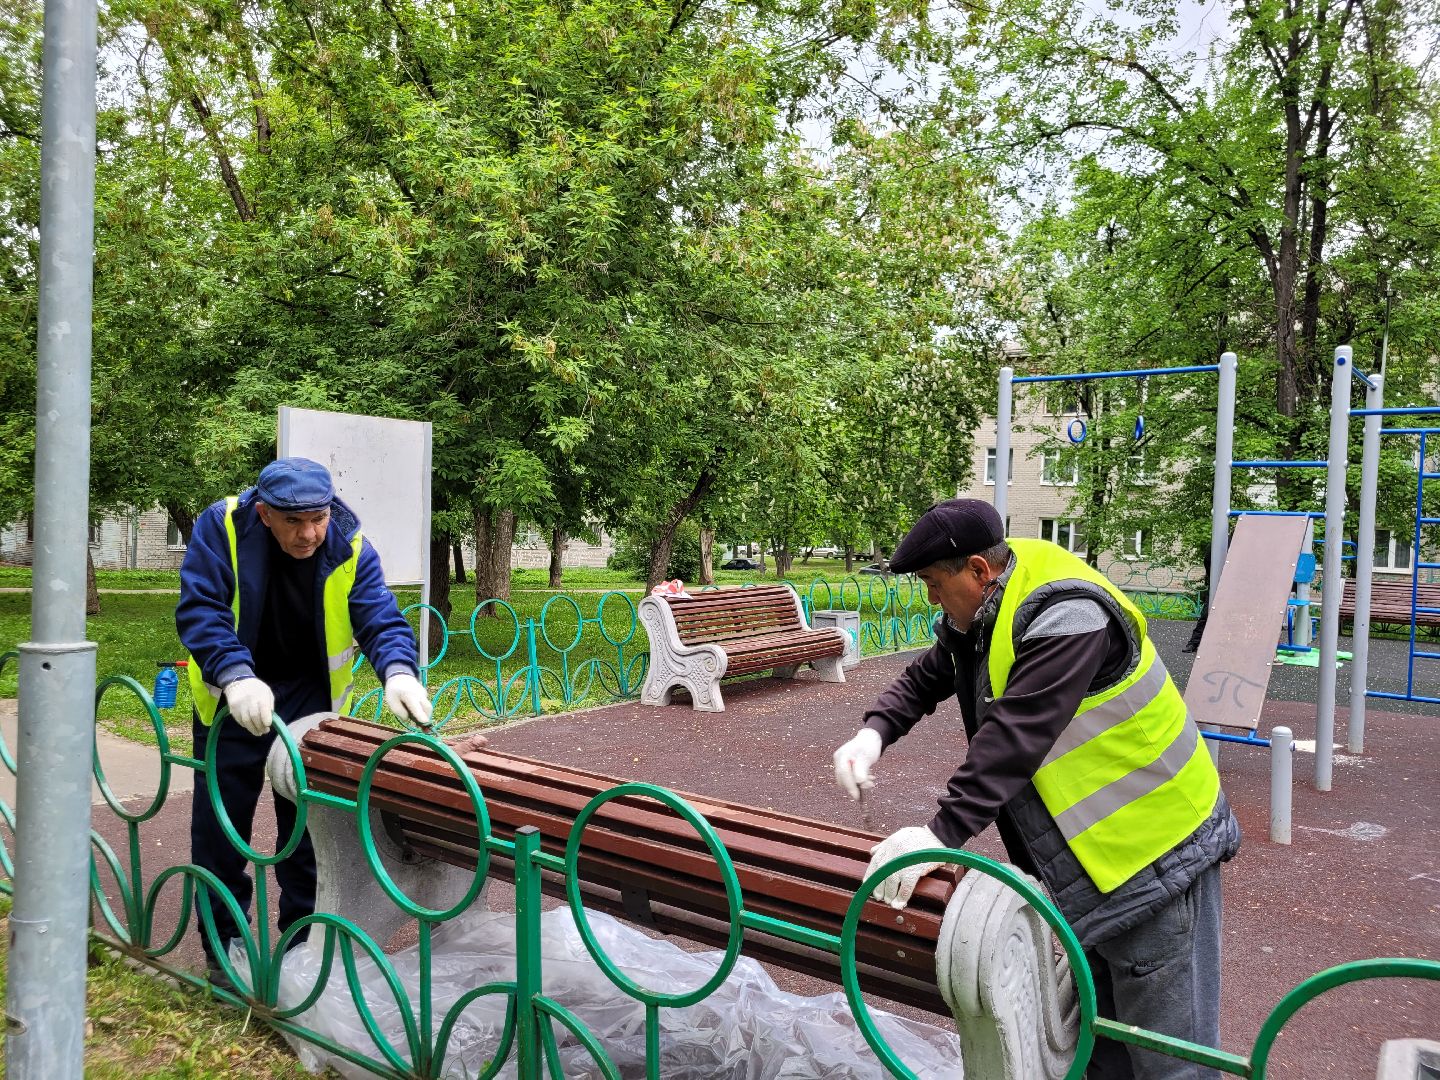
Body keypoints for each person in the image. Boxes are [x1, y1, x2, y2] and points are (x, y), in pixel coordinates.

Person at [832, 498, 1240, 1080]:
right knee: (1101, 1044)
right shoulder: (988, 604)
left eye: (932, 583)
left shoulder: (1068, 614)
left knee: (1173, 1064)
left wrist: (937, 834)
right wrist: (872, 734)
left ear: (978, 569)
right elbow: (929, 674)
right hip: (1090, 870)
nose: (930, 599)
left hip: (1159, 857)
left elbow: (1016, 737)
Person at [177, 457, 433, 987]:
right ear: (265, 513)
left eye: (317, 518)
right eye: (294, 522)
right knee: (221, 835)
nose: (309, 533)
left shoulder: (348, 542)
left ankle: (301, 952)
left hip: (310, 702)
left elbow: (379, 616)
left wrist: (399, 672)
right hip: (236, 700)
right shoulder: (221, 526)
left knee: (311, 836)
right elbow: (201, 608)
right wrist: (233, 675)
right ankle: (223, 955)